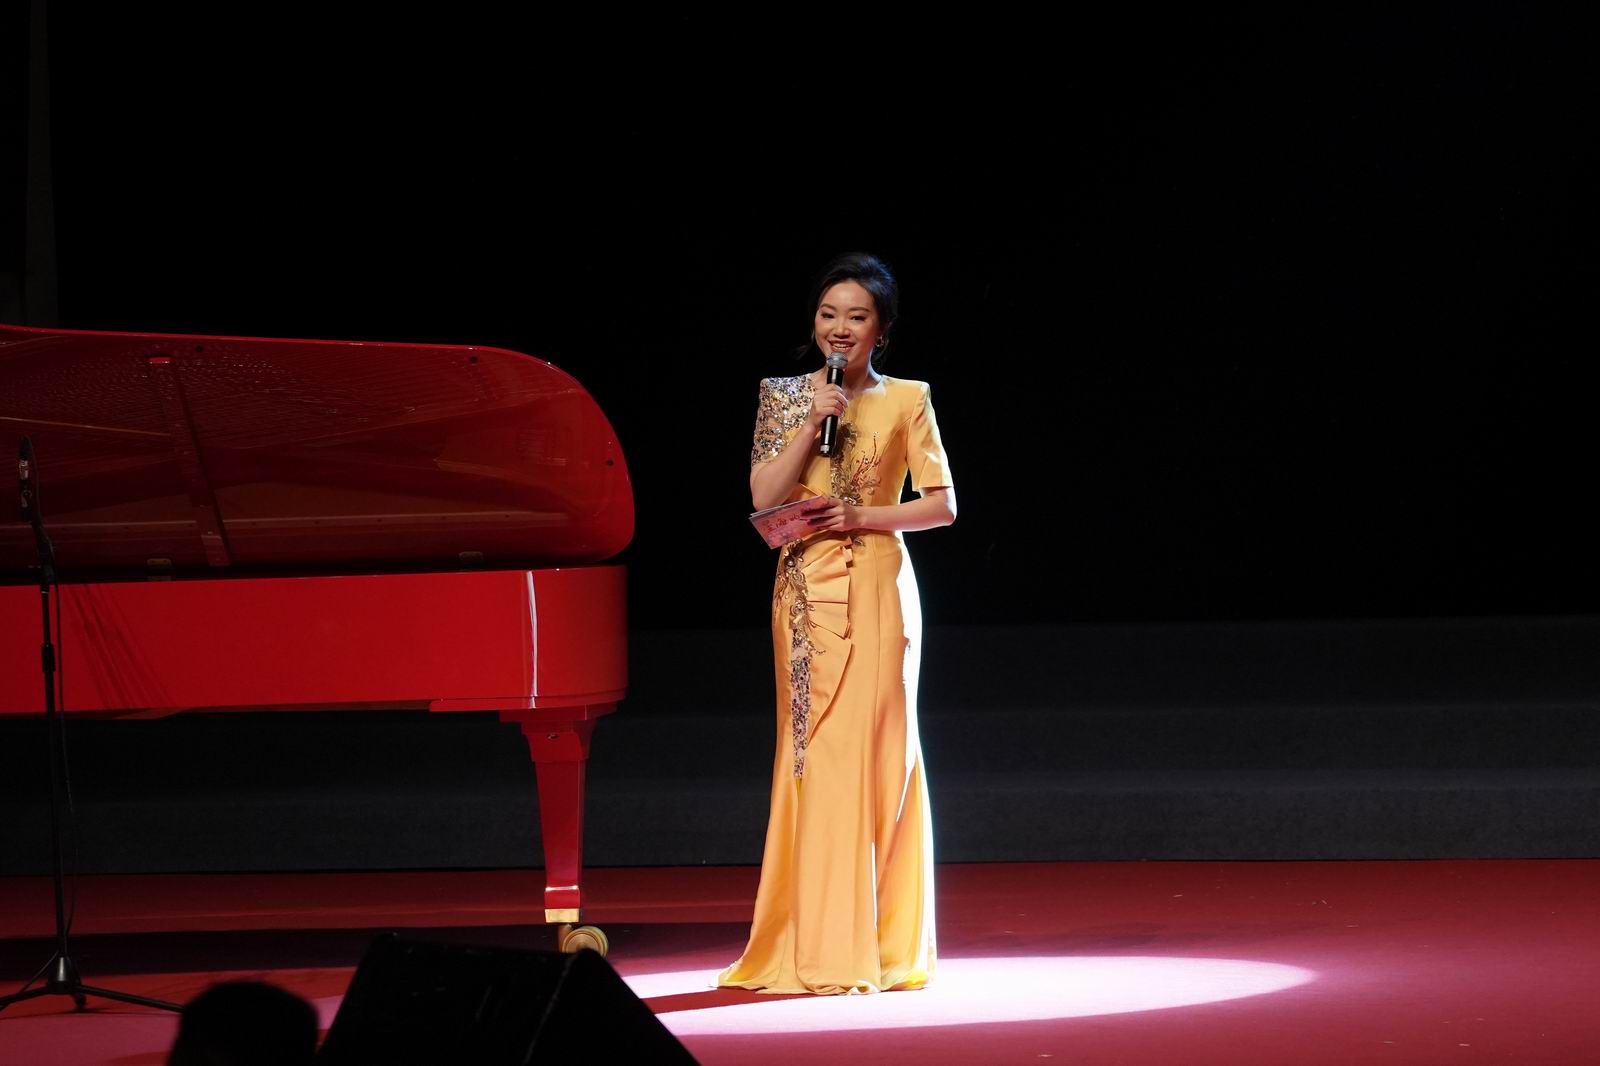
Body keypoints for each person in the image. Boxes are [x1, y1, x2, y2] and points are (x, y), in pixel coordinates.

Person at [718, 252, 956, 995]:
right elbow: (764, 494)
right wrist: (810, 422)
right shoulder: (786, 395)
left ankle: (881, 945)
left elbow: (942, 505)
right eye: (829, 314)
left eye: (857, 316)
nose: (840, 328)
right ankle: (812, 938)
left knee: (879, 754)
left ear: (881, 329)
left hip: (881, 587)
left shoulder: (908, 398)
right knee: (814, 754)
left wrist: (862, 516)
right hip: (804, 594)